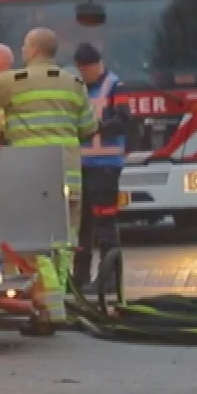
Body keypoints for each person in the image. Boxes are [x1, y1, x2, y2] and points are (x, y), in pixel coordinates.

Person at [0, 28, 97, 235]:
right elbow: (88, 128)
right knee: (67, 233)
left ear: (34, 50)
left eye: (25, 46)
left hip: (29, 177)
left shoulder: (11, 82)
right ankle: (63, 268)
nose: (22, 50)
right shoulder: (75, 84)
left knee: (34, 235)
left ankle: (45, 267)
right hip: (68, 175)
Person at [73, 42, 128, 295]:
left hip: (106, 167)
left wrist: (96, 128)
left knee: (105, 223)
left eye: (85, 69)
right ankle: (79, 277)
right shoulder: (78, 87)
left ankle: (109, 278)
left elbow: (125, 121)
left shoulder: (115, 86)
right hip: (82, 165)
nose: (82, 75)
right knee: (81, 226)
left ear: (96, 65)